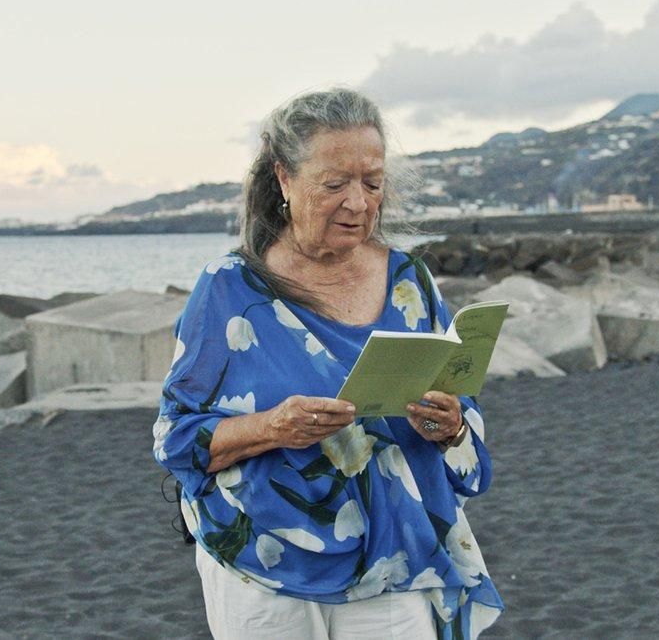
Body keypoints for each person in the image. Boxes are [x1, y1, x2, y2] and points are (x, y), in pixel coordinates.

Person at [153, 88, 503, 639]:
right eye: (335, 184)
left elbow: (465, 415)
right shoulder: (229, 289)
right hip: (265, 565)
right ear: (285, 179)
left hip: (396, 558)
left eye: (372, 183)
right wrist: (275, 427)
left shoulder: (410, 281)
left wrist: (451, 425)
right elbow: (176, 437)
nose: (359, 203)